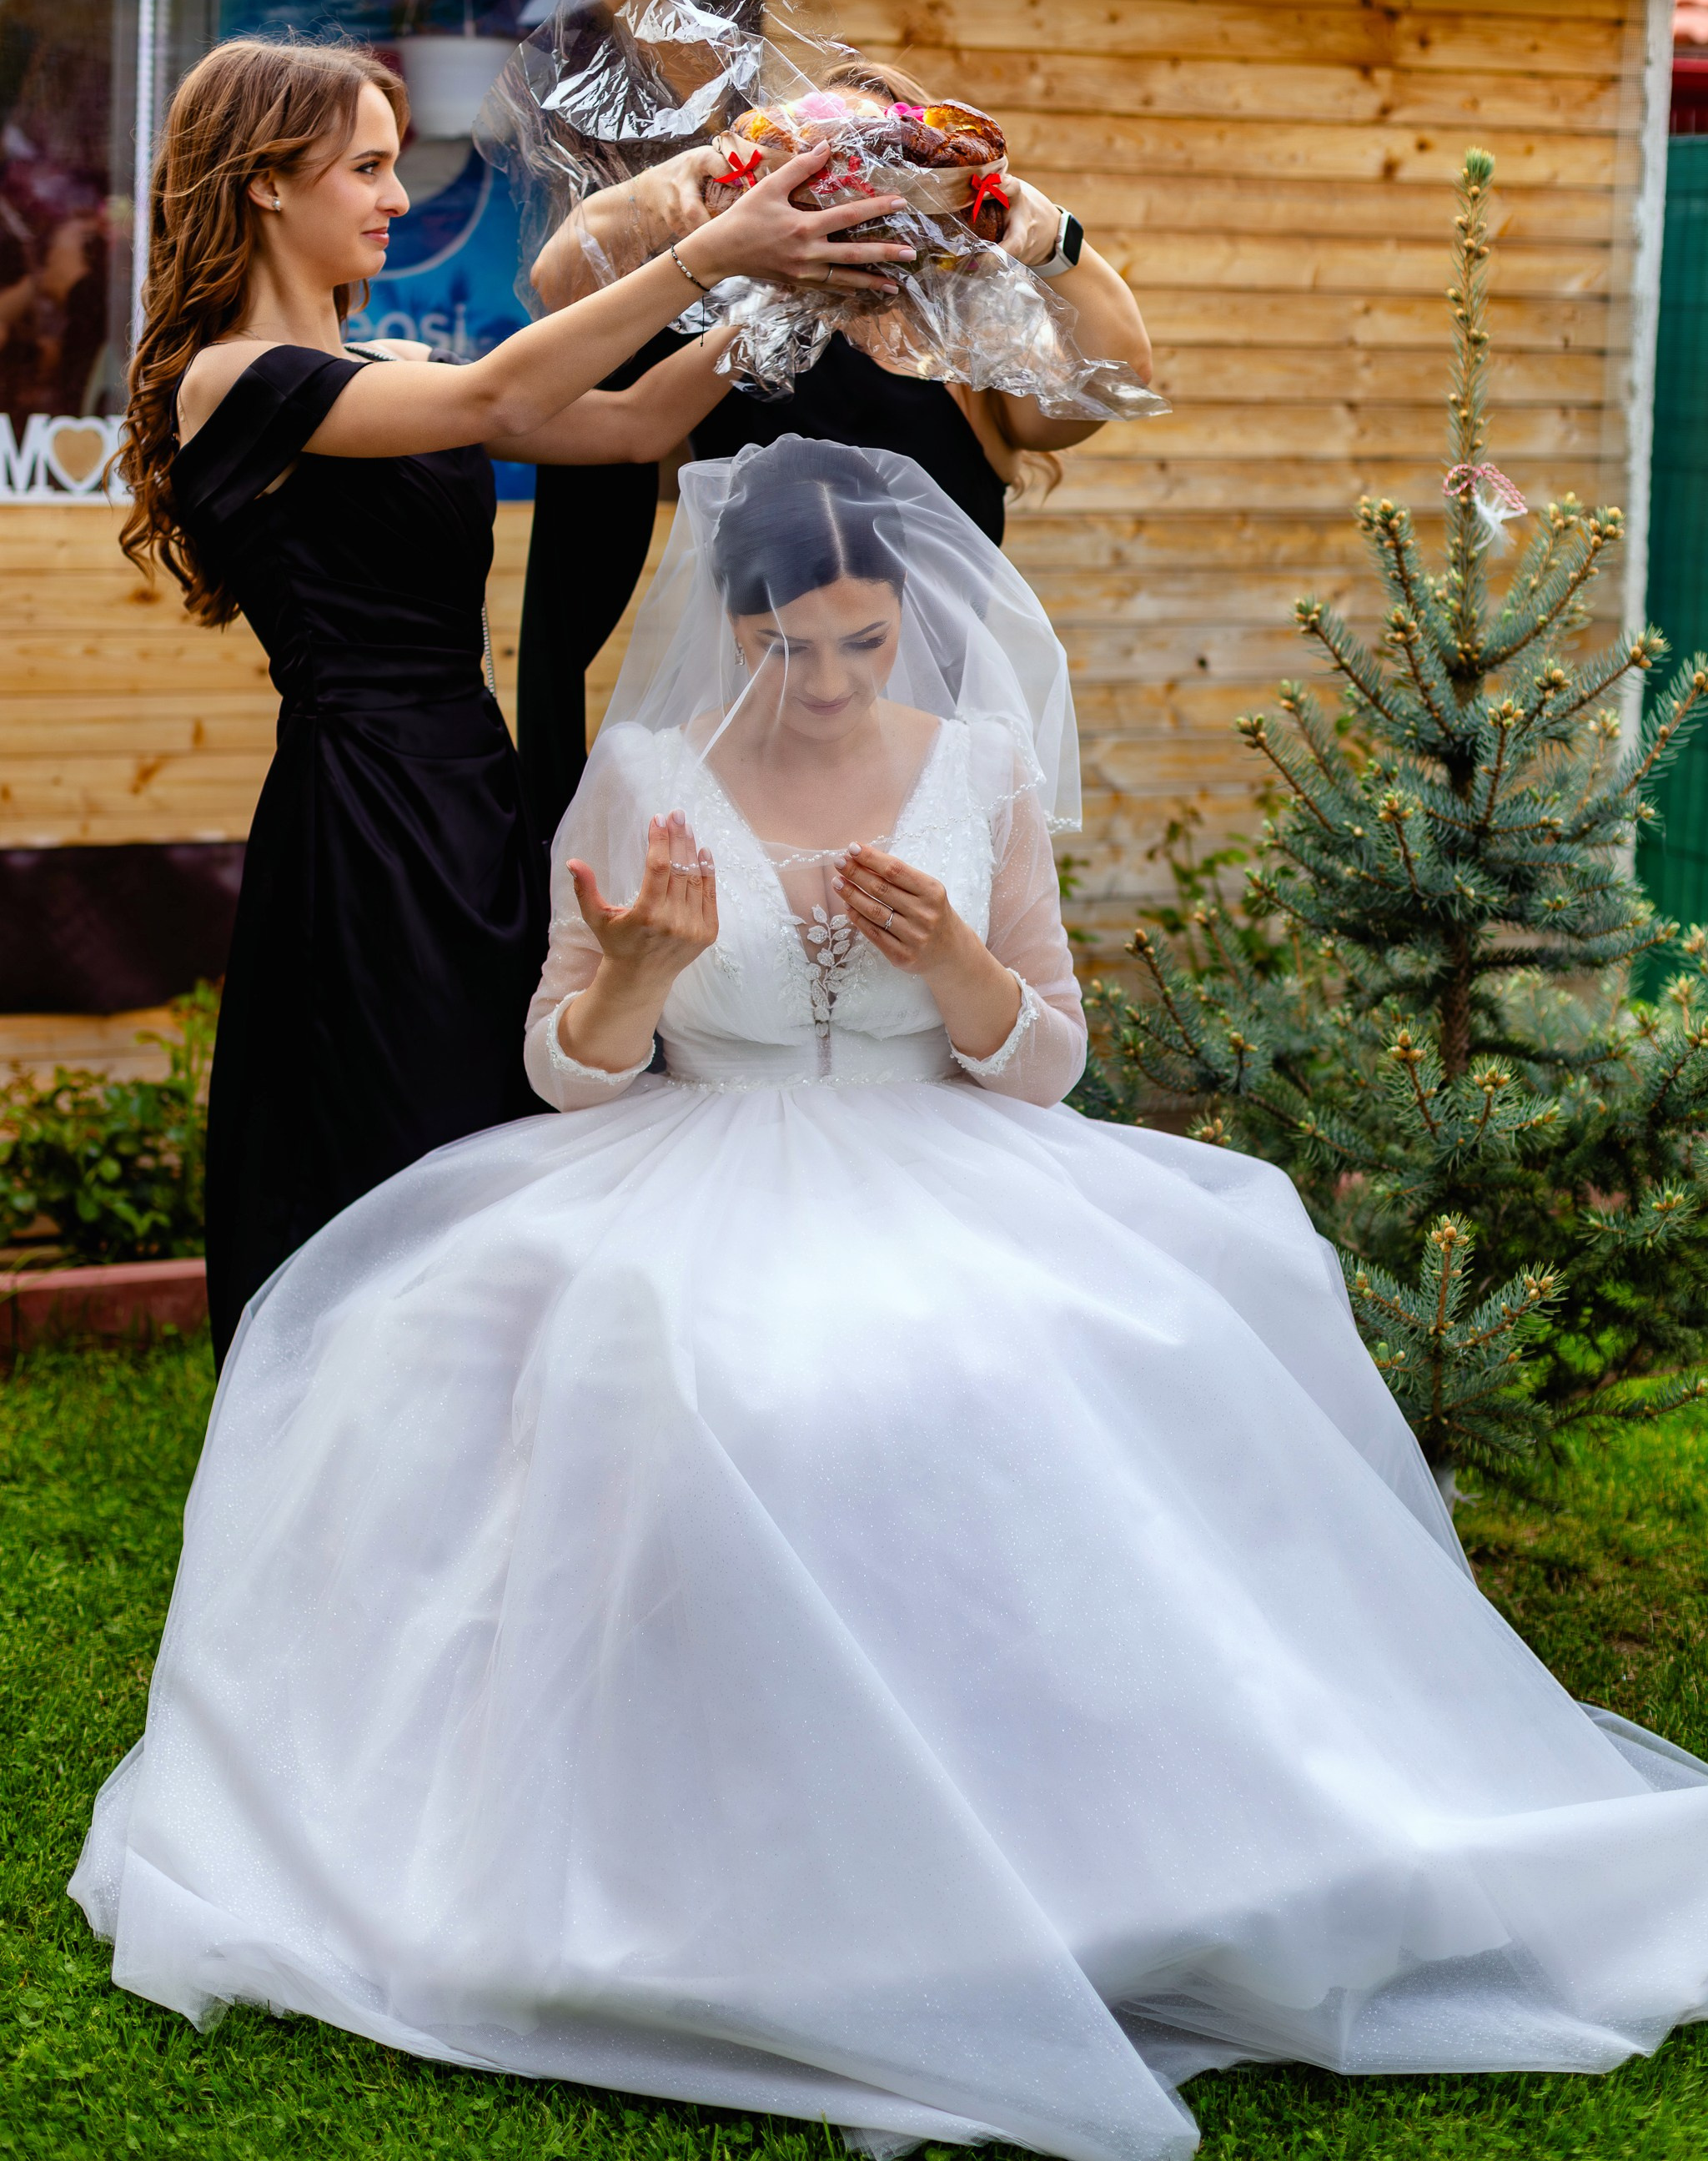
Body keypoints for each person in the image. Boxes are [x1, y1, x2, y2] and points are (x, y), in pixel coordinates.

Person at [76, 436, 1708, 2161]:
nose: (833, 684)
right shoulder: (643, 773)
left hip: (951, 1166)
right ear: (739, 624)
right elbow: (567, 1073)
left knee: (1067, 1349)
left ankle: (1094, 1836)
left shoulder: (980, 767)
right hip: (689, 1168)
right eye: (796, 649)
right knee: (723, 1382)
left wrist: (956, 966)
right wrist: (639, 973)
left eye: (864, 644)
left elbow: (1049, 1062)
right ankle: (725, 1860)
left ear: (906, 621)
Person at [118, 38, 914, 1364]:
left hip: (477, 790)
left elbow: (628, 424)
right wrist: (715, 247)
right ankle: (351, 1413)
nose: (393, 197)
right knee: (394, 1117)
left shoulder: (376, 363)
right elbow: (502, 389)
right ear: (264, 182)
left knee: (506, 1115)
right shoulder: (232, 381)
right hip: (365, 818)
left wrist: (797, 282)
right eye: (367, 167)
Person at [516, 58, 1153, 835]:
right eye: (821, 152)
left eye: (878, 155)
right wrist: (692, 177)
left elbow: (1112, 387)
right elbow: (563, 284)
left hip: (930, 777)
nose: (849, 177)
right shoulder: (740, 340)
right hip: (750, 774)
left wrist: (1055, 237)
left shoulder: (962, 368)